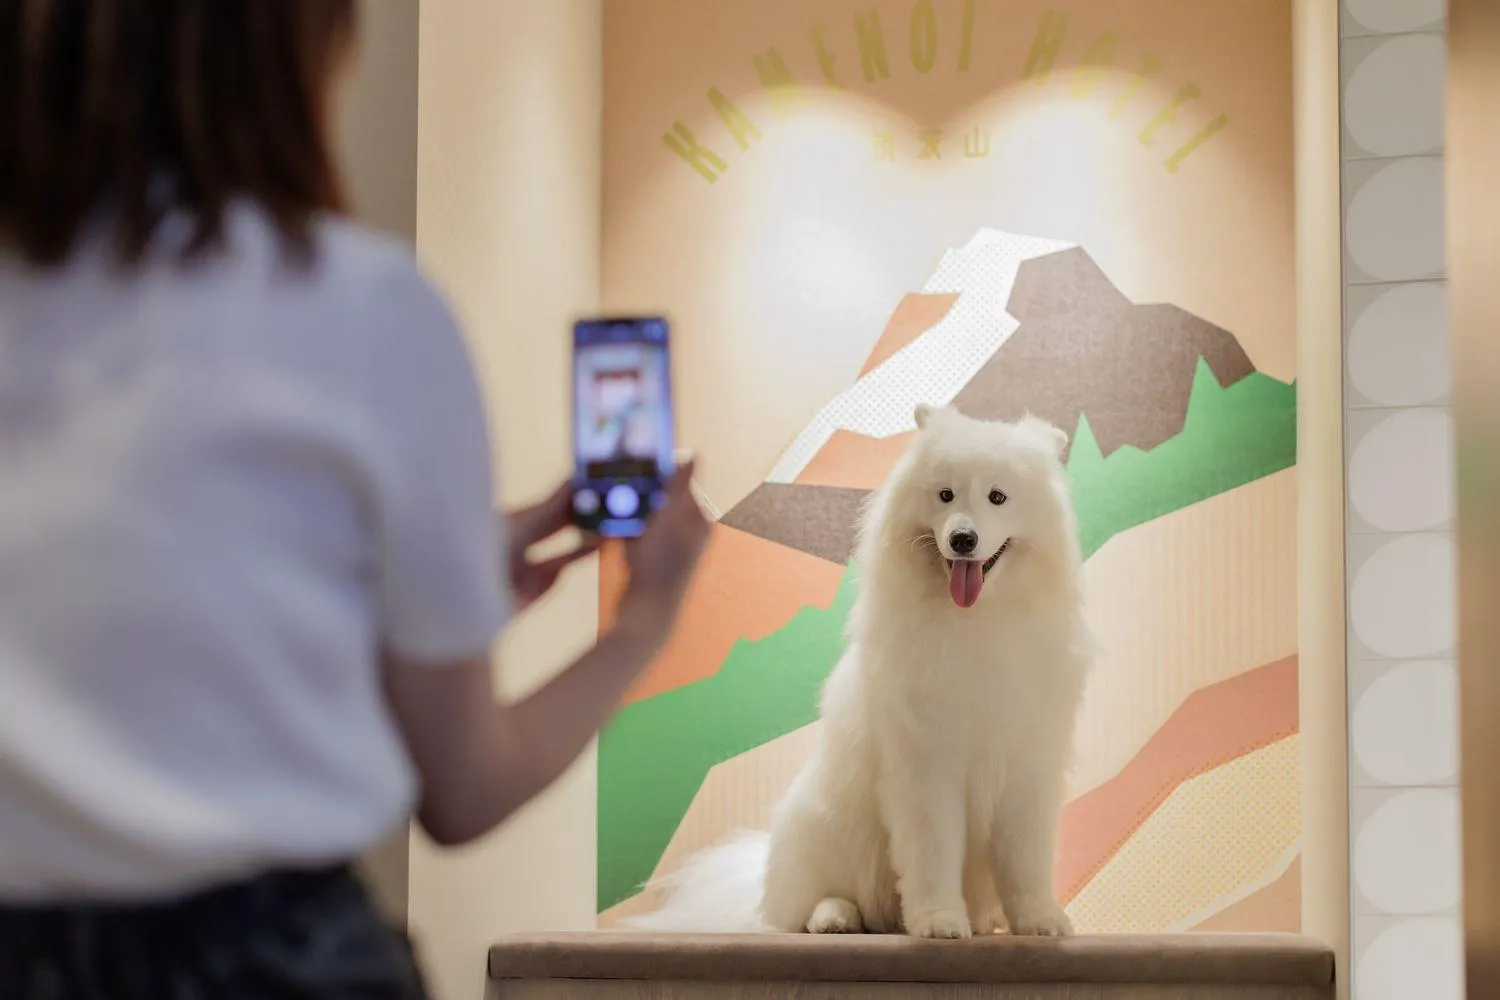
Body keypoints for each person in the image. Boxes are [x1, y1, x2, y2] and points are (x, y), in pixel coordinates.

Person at [0, 2, 710, 997]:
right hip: (273, 960)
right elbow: (466, 788)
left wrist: (386, 583)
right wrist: (644, 615)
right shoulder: (367, 311)